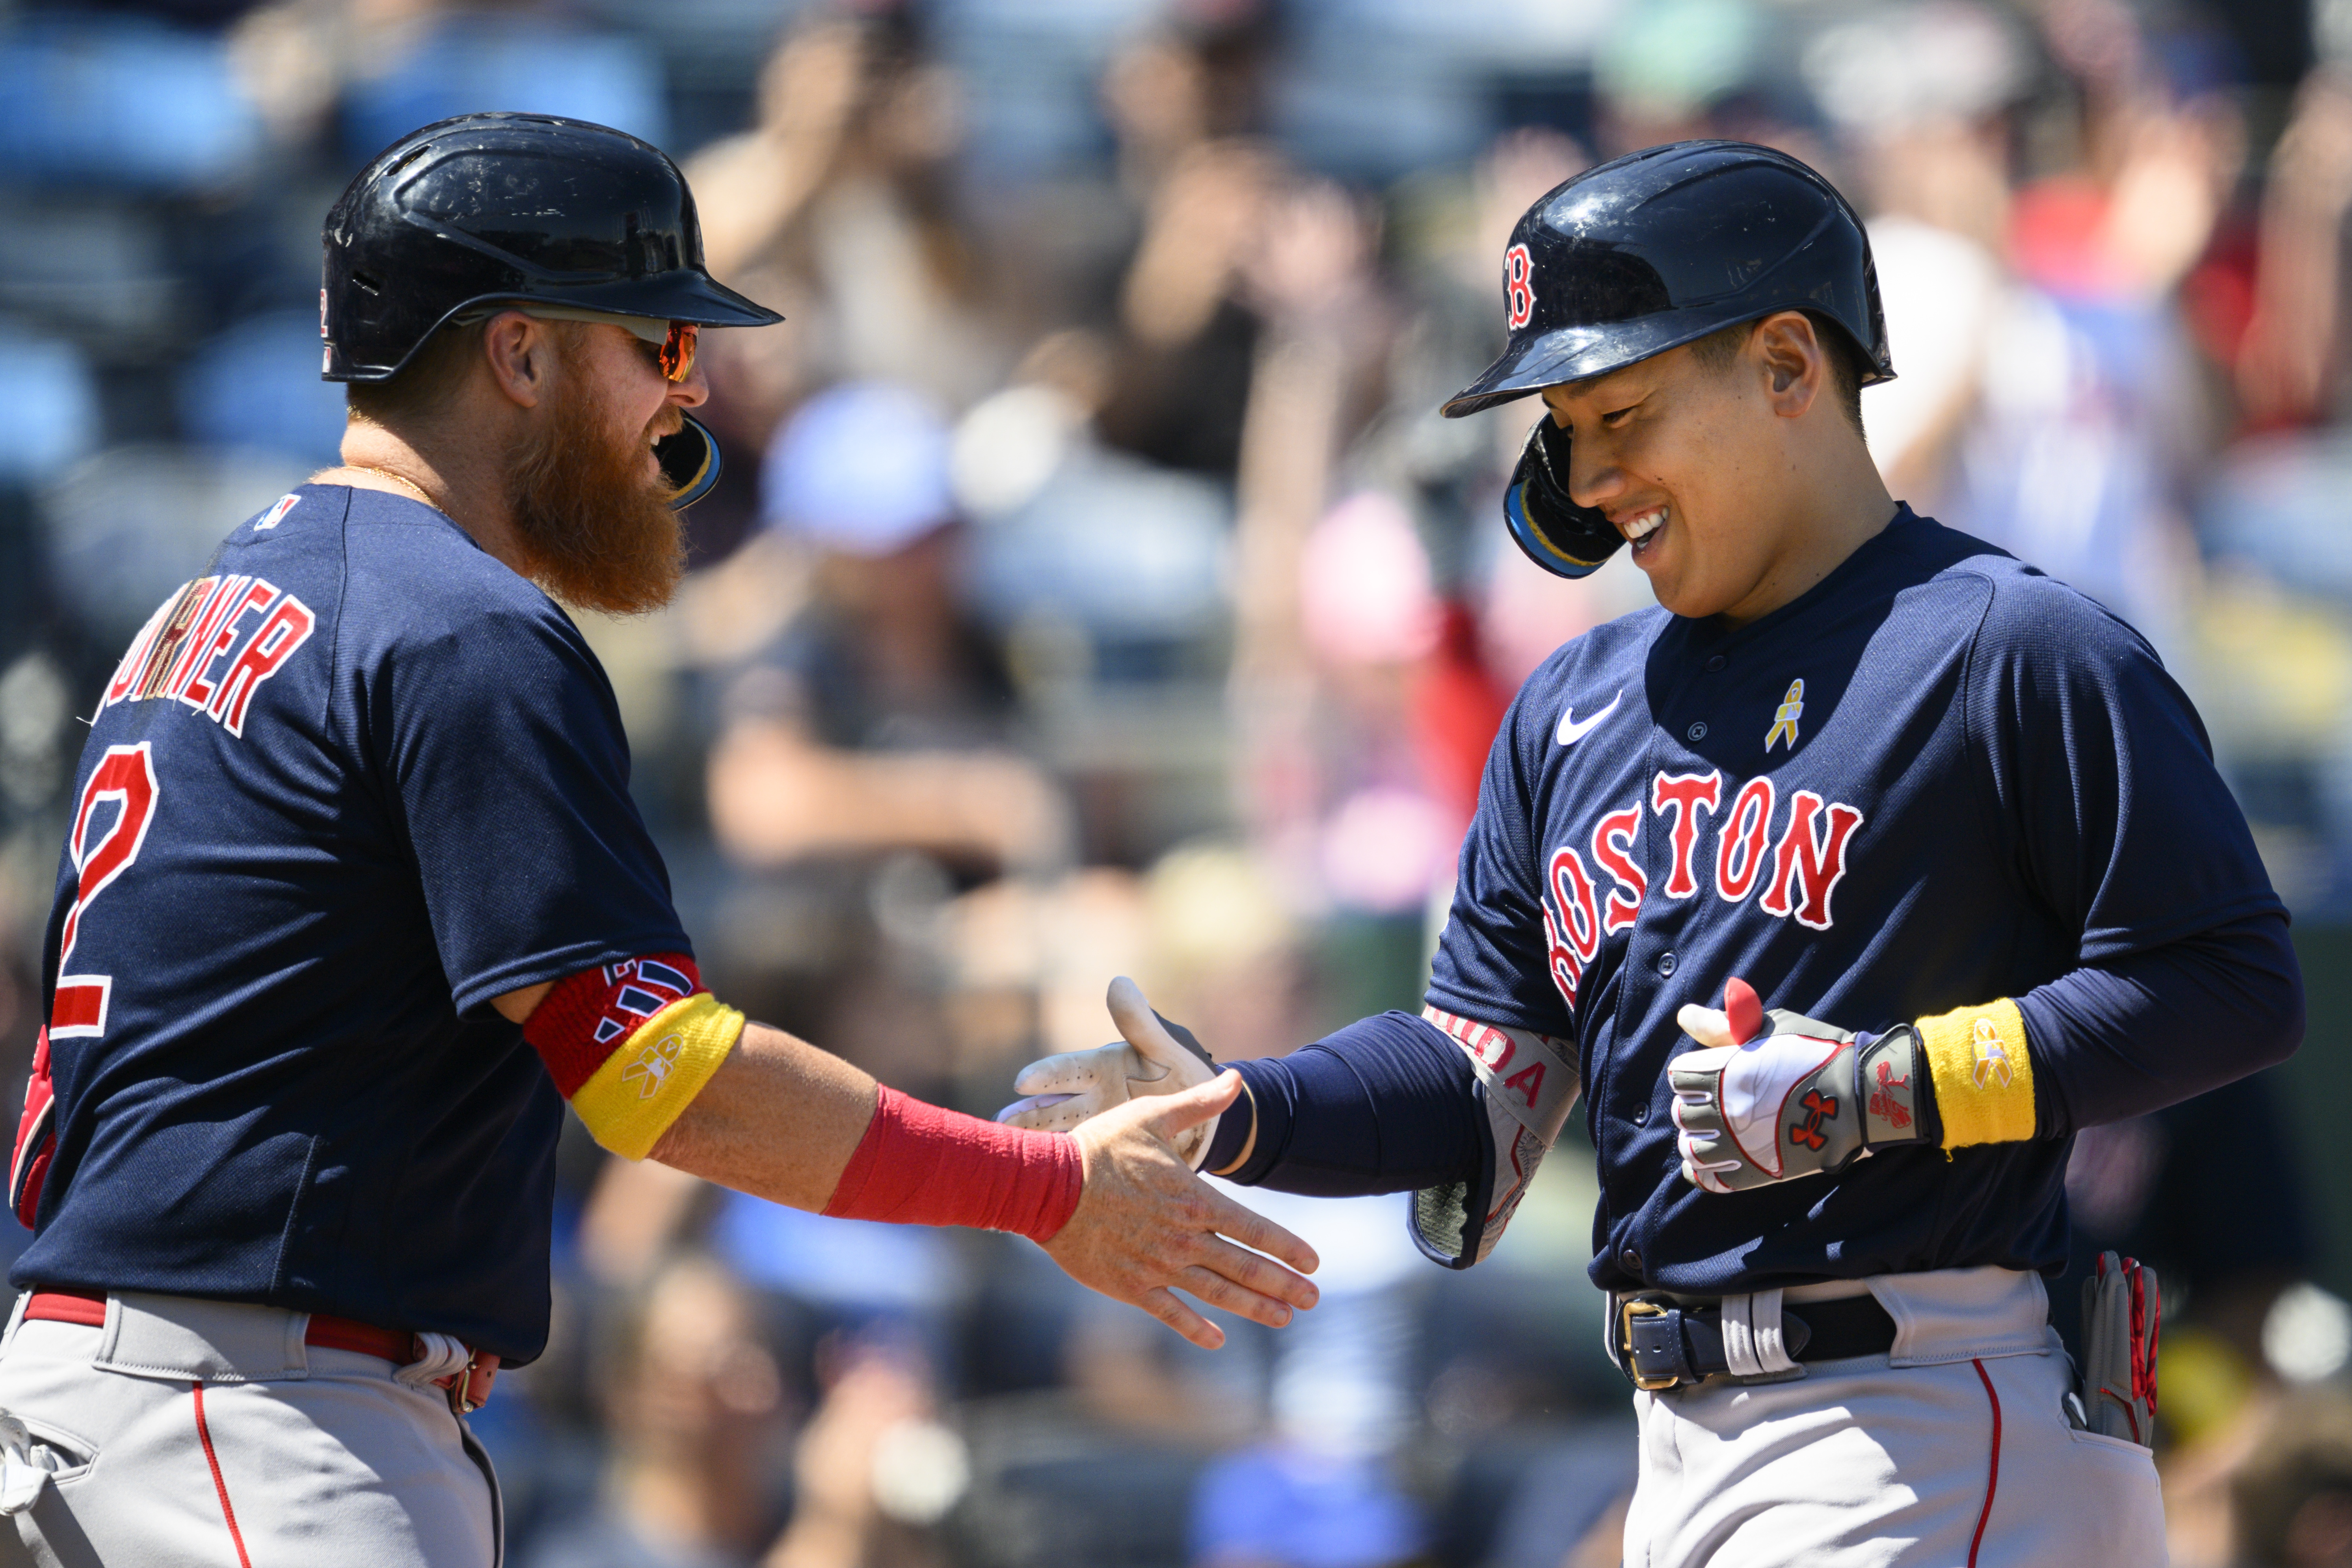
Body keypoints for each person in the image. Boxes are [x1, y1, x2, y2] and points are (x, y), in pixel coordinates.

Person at [0, 113, 1317, 1568]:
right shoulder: (456, 623)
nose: (689, 402)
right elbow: (655, 1077)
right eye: (661, 346)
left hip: (113, 1387)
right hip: (254, 1412)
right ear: (521, 354)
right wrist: (1048, 1188)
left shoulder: (199, 613)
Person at [1004, 140, 2304, 1566]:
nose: (1590, 470)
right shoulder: (1573, 707)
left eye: (1621, 409)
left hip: (1928, 1414)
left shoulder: (2013, 648)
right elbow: (1478, 1079)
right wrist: (1245, 1107)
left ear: (1789, 365)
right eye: (1564, 424)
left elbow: (2231, 980)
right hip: (1681, 1439)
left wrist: (1883, 1087)